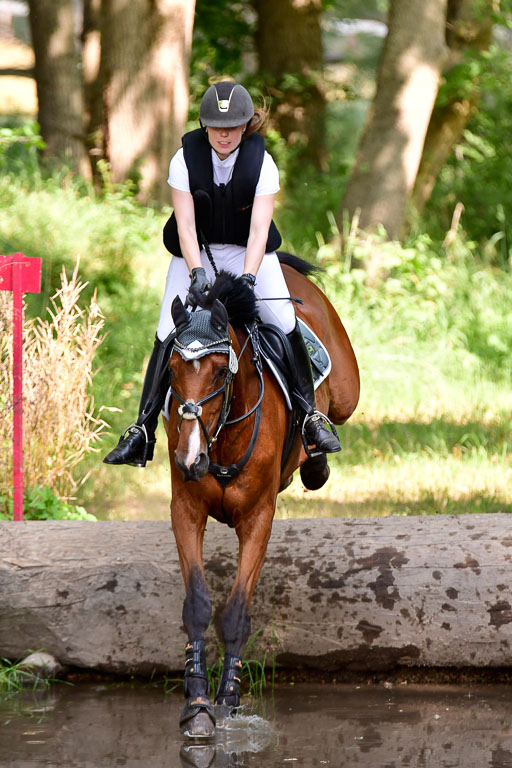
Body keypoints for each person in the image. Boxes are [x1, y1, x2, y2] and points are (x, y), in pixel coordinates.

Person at [103, 80, 341, 468]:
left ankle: (309, 415)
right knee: (167, 330)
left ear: (246, 126)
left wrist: (249, 277)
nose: (224, 134)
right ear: (204, 125)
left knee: (282, 319)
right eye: (216, 126)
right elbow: (184, 224)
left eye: (232, 127)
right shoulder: (184, 159)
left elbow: (260, 229)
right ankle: (142, 429)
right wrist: (196, 271)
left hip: (252, 251)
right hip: (195, 250)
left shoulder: (262, 163)